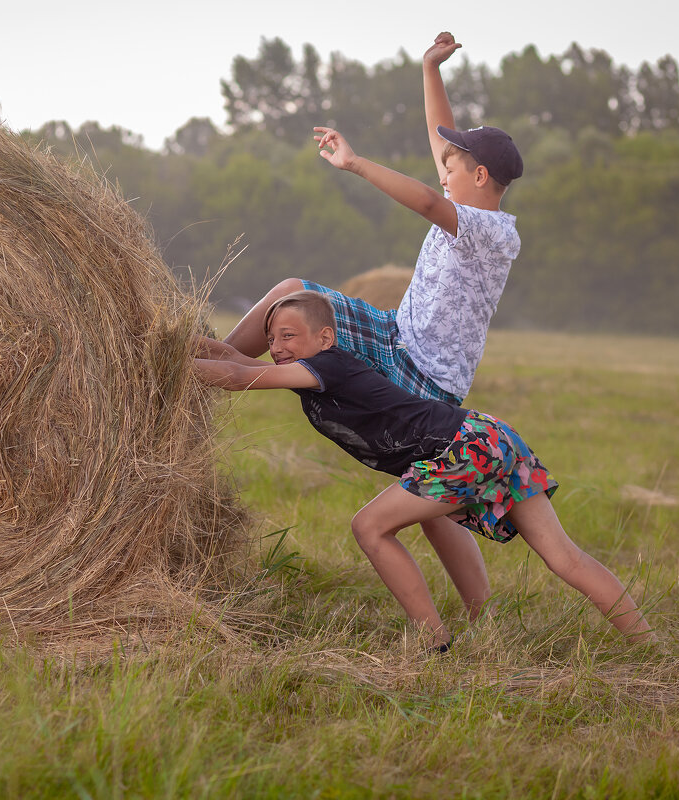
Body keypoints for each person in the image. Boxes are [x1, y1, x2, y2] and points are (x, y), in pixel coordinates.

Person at [218, 31, 525, 623]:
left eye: (454, 166)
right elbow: (441, 140)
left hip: (425, 372)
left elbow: (432, 203)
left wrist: (355, 163)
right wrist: (430, 69)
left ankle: (481, 614)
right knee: (292, 292)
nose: (442, 169)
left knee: (435, 508)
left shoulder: (493, 229)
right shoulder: (464, 199)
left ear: (482, 175)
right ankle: (217, 361)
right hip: (395, 333)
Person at [196, 291, 655, 651]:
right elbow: (239, 361)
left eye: (288, 336)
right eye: (272, 338)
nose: (276, 347)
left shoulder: (327, 366)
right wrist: (181, 341)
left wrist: (152, 362)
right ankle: (646, 643)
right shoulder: (310, 369)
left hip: (465, 448)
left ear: (325, 339)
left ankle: (433, 642)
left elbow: (239, 378)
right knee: (563, 557)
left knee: (370, 527)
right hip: (488, 437)